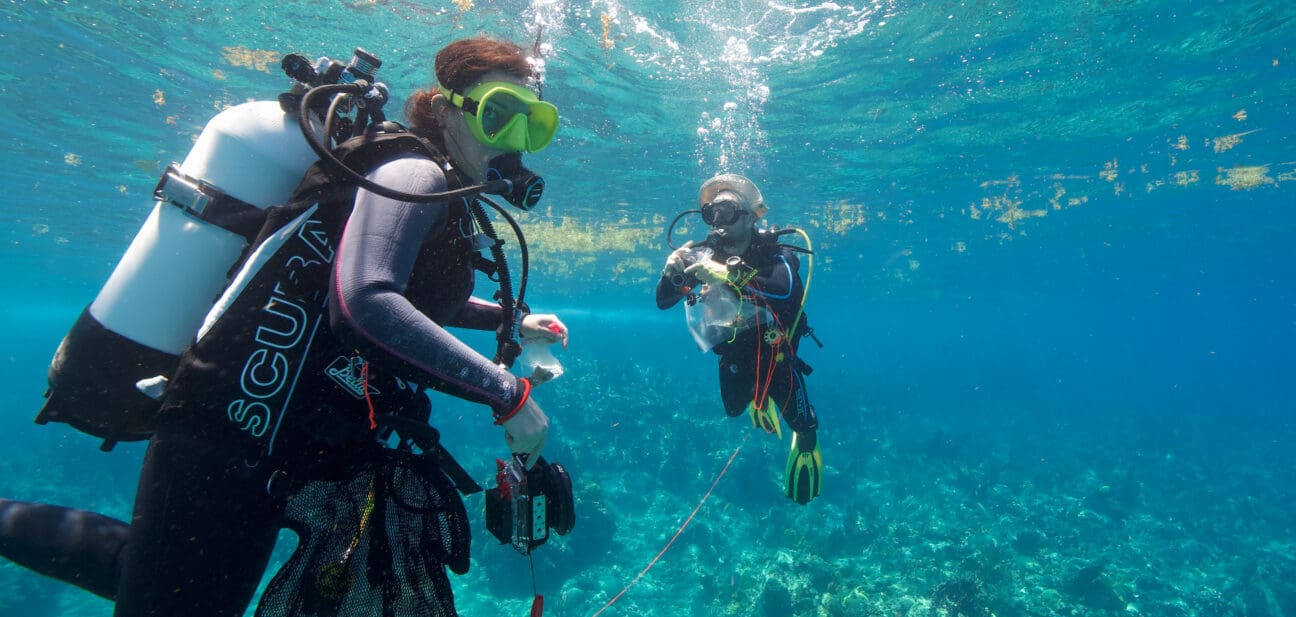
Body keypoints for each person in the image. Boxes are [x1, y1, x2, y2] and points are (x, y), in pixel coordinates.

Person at [0, 36, 567, 617]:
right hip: (234, 423)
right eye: (499, 117)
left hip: (271, 428)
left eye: (534, 126)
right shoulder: (416, 172)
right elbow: (364, 303)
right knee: (173, 597)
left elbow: (376, 290)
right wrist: (505, 393)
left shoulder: (441, 186)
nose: (515, 143)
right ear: (447, 109)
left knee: (164, 582)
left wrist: (510, 320)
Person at [655, 174, 823, 504]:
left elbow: (785, 288)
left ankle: (805, 447)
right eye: (710, 214)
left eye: (728, 212)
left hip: (776, 356)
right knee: (734, 409)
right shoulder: (702, 255)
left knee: (803, 425)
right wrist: (669, 275)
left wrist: (731, 275)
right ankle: (760, 404)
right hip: (732, 356)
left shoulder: (775, 254)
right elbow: (663, 301)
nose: (718, 224)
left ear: (749, 216)